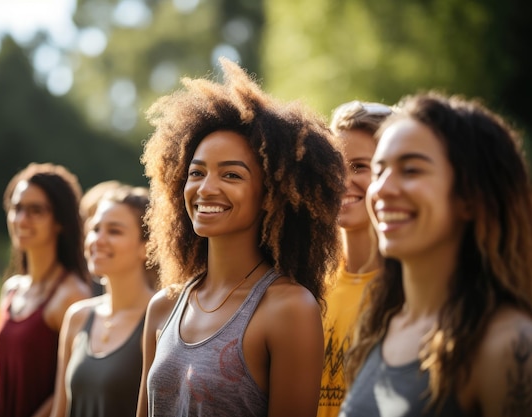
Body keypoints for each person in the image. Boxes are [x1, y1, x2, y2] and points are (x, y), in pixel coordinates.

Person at [136, 57, 346, 417]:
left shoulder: (289, 309)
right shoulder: (164, 307)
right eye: (196, 172)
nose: (206, 188)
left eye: (231, 175)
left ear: (271, 195)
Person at [340, 92, 532, 416]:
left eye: (411, 170)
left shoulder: (508, 345)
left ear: (471, 197)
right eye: (379, 169)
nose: (383, 188)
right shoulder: (382, 323)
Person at [0, 163, 92, 417]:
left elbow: (67, 388)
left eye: (35, 210)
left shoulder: (73, 296)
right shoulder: (11, 289)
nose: (21, 219)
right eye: (16, 208)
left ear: (60, 221)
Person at [50, 184, 156, 417]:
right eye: (95, 229)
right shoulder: (77, 317)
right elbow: (59, 411)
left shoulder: (161, 321)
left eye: (114, 231)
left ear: (146, 247)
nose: (98, 239)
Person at [318, 101, 392, 417]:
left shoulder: (413, 293)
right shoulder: (307, 284)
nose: (342, 181)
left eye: (360, 166)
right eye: (335, 167)